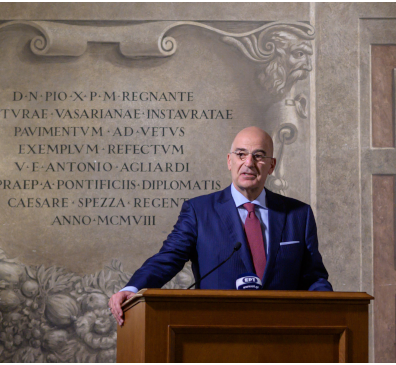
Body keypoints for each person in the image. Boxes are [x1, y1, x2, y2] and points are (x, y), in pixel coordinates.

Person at [109, 126, 332, 325]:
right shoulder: (199, 211)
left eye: (259, 156)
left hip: (283, 333)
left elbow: (313, 277)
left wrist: (331, 309)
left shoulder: (298, 214)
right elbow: (169, 258)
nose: (249, 163)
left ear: (272, 165)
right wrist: (132, 288)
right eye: (241, 154)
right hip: (215, 331)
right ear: (229, 161)